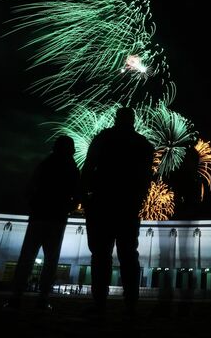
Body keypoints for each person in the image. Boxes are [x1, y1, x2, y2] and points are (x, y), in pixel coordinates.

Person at [81, 107, 154, 316]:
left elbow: (88, 168)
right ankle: (130, 304)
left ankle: (100, 303)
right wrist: (138, 200)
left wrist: (85, 198)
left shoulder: (103, 138)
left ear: (117, 119)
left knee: (101, 255)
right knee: (128, 255)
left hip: (103, 202)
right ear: (133, 121)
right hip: (128, 206)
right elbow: (146, 179)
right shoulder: (143, 144)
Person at [5, 135, 79, 310]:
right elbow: (77, 197)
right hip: (57, 219)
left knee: (27, 257)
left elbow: (29, 189)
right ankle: (43, 298)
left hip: (39, 216)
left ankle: (16, 296)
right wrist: (66, 208)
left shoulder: (44, 165)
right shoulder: (72, 169)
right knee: (51, 260)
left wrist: (35, 205)